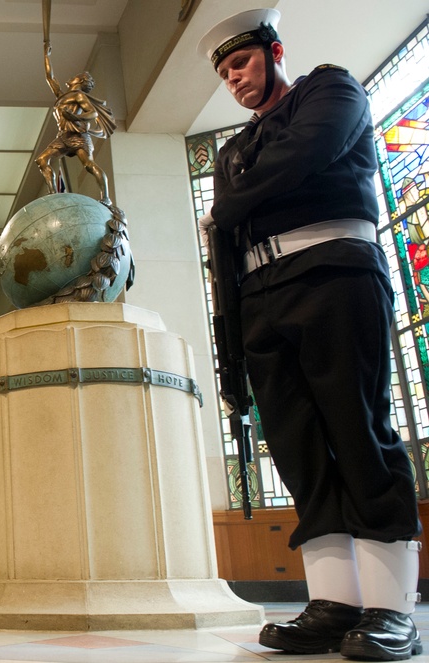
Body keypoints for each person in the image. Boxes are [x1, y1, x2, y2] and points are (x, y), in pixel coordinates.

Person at [197, 9, 423, 661]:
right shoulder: (233, 149)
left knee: (358, 429)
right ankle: (334, 601)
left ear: (274, 52)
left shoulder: (331, 90)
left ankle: (391, 607)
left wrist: (232, 204)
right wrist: (233, 350)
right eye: (224, 72)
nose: (234, 77)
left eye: (241, 62)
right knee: (297, 449)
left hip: (334, 271)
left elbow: (307, 155)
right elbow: (225, 247)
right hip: (260, 297)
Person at [35, 40, 116, 201]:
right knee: (42, 160)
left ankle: (106, 197)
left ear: (79, 81)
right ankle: (52, 194)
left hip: (78, 136)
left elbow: (92, 113)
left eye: (75, 76)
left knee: (88, 165)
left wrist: (76, 117)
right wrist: (46, 55)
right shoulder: (61, 96)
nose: (71, 77)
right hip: (63, 136)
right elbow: (50, 78)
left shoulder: (79, 96)